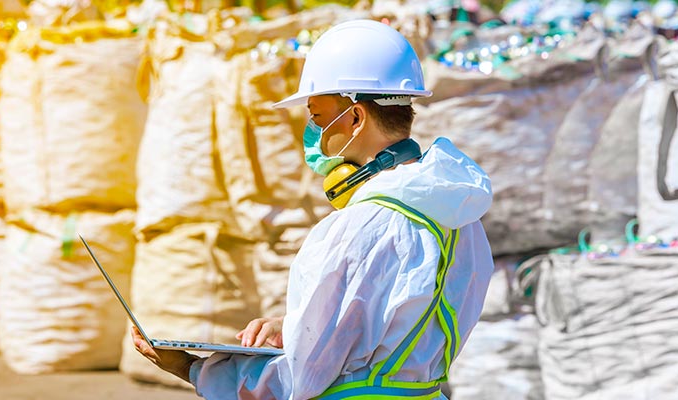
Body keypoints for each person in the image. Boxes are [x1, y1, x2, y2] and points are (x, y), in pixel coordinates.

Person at [133, 19, 494, 399]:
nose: (313, 133)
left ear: (355, 118)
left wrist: (191, 368)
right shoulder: (455, 212)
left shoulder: (363, 224)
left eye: (318, 117)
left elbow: (300, 380)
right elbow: (390, 326)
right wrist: (294, 327)